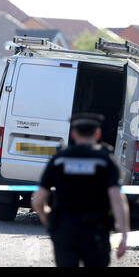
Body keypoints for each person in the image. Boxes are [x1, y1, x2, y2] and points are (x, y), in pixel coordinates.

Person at [32, 112, 130, 267]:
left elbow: (37, 200)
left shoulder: (59, 160)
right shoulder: (105, 161)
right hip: (96, 232)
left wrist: (49, 221)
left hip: (65, 230)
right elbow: (117, 199)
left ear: (74, 134)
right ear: (97, 133)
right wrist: (124, 236)